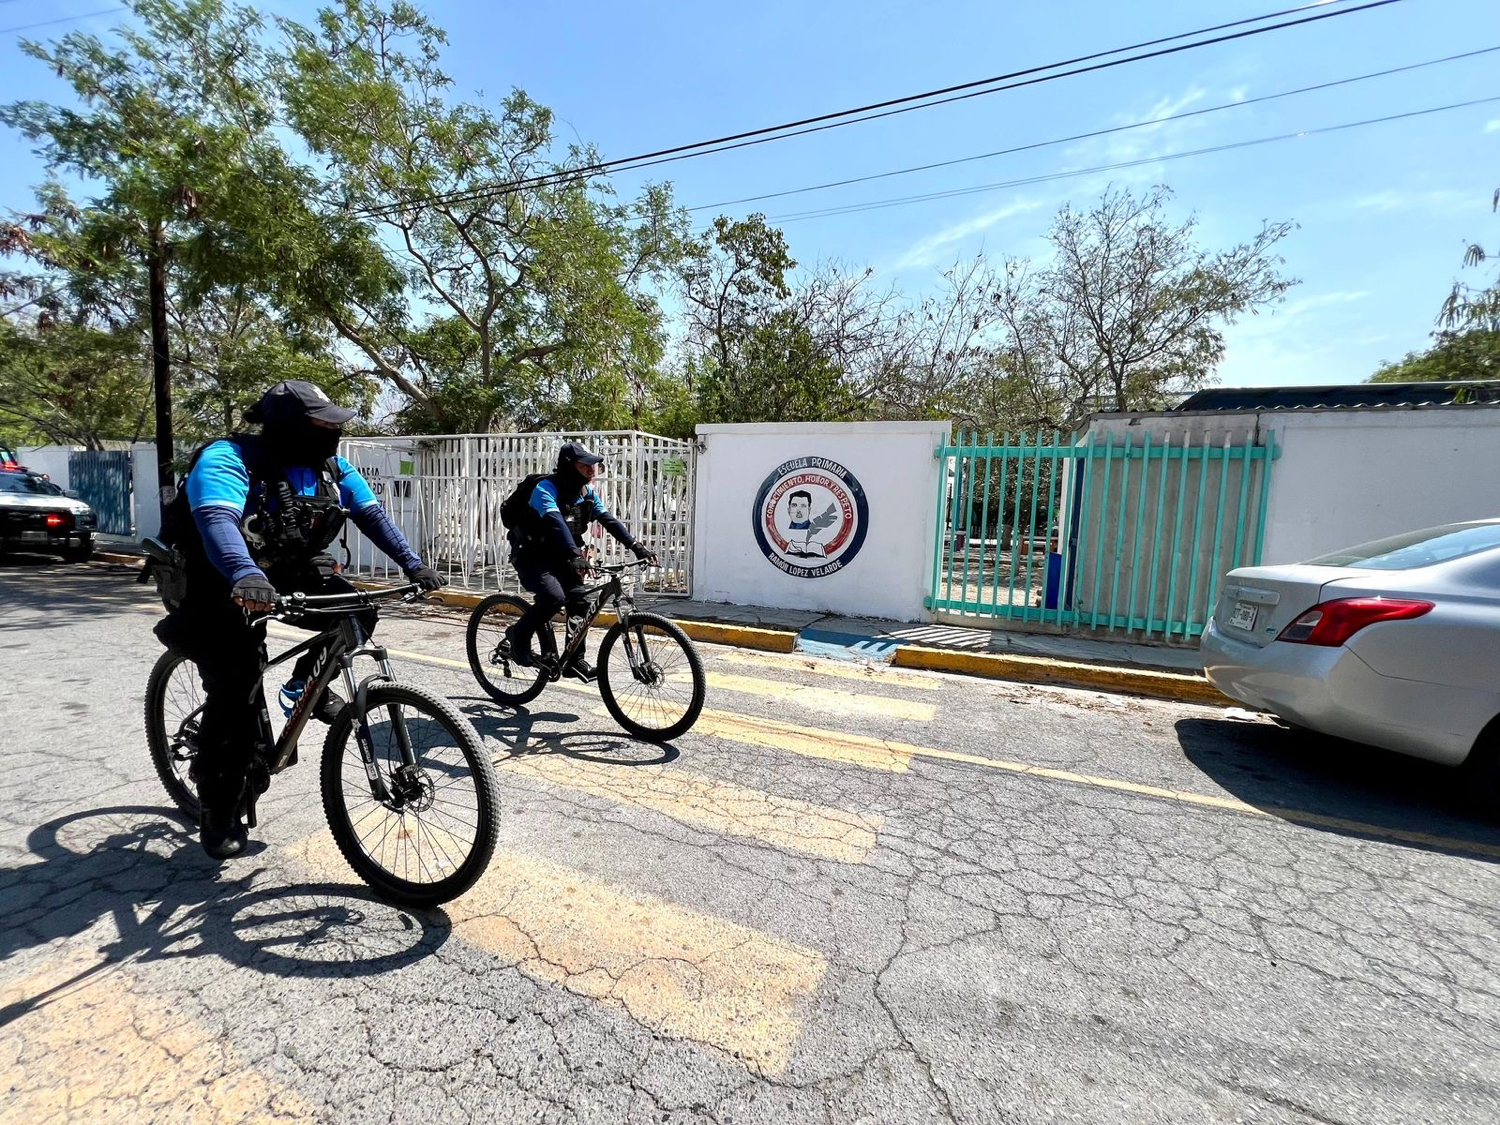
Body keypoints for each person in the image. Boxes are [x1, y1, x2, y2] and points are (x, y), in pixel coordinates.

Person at [154, 380, 442, 861]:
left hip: (285, 569)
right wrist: (245, 573)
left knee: (357, 610)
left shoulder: (331, 468)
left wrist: (413, 564)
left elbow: (372, 516)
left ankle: (302, 686)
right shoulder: (228, 458)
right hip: (216, 580)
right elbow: (217, 520)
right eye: (322, 423)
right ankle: (217, 805)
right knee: (237, 684)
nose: (333, 431)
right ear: (287, 427)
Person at [504, 442, 656, 679]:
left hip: (564, 555)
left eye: (593, 464)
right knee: (554, 597)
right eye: (584, 464)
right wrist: (576, 555)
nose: (591, 468)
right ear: (568, 466)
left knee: (581, 601)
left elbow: (608, 520)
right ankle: (518, 636)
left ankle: (574, 661)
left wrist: (636, 546)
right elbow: (555, 522)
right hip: (533, 556)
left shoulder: (586, 492)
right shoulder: (545, 489)